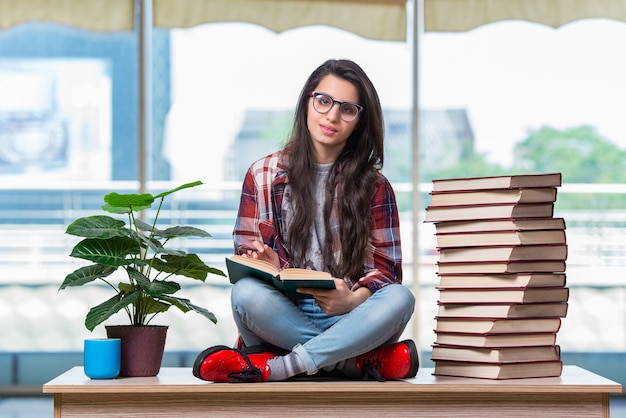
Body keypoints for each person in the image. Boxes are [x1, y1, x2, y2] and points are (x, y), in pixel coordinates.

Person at [193, 59, 418, 383]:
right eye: (324, 101)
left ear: (360, 120)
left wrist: (353, 299)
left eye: (348, 109)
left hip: (352, 318)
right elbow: (245, 255)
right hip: (285, 316)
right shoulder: (262, 174)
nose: (332, 116)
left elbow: (387, 270)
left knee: (401, 298)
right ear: (307, 102)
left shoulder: (375, 186)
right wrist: (269, 263)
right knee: (245, 293)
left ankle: (281, 365)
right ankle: (351, 362)